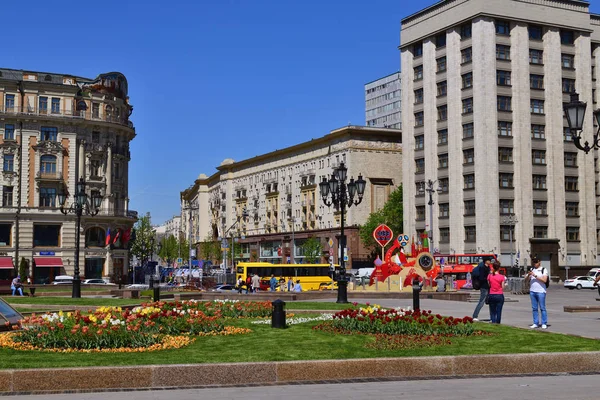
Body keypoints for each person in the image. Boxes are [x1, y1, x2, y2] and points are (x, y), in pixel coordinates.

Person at [526, 257, 548, 329]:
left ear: (539, 262)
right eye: (534, 262)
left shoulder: (543, 270)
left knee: (542, 308)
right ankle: (535, 323)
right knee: (534, 308)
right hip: (533, 291)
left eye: (536, 262)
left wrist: (535, 275)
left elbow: (544, 280)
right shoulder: (532, 269)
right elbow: (525, 280)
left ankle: (544, 323)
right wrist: (529, 275)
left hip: (541, 291)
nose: (534, 264)